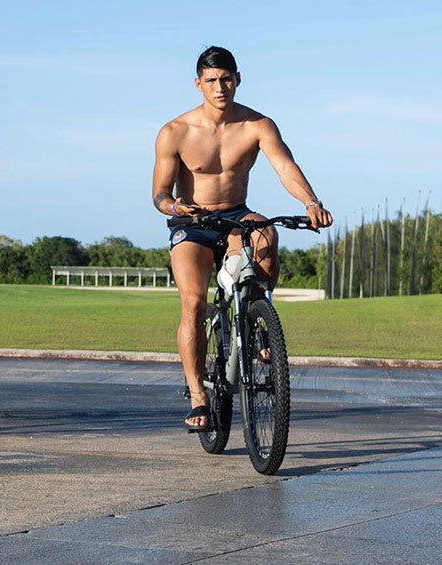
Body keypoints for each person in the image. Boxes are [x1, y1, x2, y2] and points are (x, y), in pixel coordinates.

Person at [152, 46, 333, 432]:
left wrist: (311, 201)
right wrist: (175, 208)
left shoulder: (257, 125)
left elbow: (285, 166)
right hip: (194, 222)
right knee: (194, 302)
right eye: (212, 80)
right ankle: (198, 394)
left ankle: (255, 322)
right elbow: (160, 195)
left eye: (227, 79)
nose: (220, 87)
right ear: (198, 84)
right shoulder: (175, 132)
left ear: (238, 79)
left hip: (235, 214)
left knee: (266, 233)